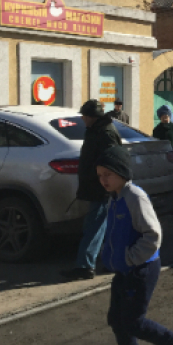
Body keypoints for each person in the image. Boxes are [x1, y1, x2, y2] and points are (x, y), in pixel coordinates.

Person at [93, 146, 173, 345]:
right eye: (100, 175)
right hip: (124, 270)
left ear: (121, 171)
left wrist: (130, 258)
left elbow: (153, 235)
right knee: (117, 319)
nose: (103, 180)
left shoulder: (134, 197)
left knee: (133, 321)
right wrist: (108, 257)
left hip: (141, 269)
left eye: (107, 174)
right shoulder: (115, 197)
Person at [61, 100, 122, 281]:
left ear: (92, 117)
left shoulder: (105, 133)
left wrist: (105, 183)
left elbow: (112, 161)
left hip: (101, 187)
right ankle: (108, 261)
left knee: (95, 225)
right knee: (100, 225)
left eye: (85, 116)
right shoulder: (97, 130)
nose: (83, 119)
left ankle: (85, 266)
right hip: (98, 186)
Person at [153, 106, 173, 183]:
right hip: (162, 154)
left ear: (169, 117)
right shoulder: (157, 130)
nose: (165, 119)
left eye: (166, 117)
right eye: (163, 117)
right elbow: (155, 142)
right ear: (160, 118)